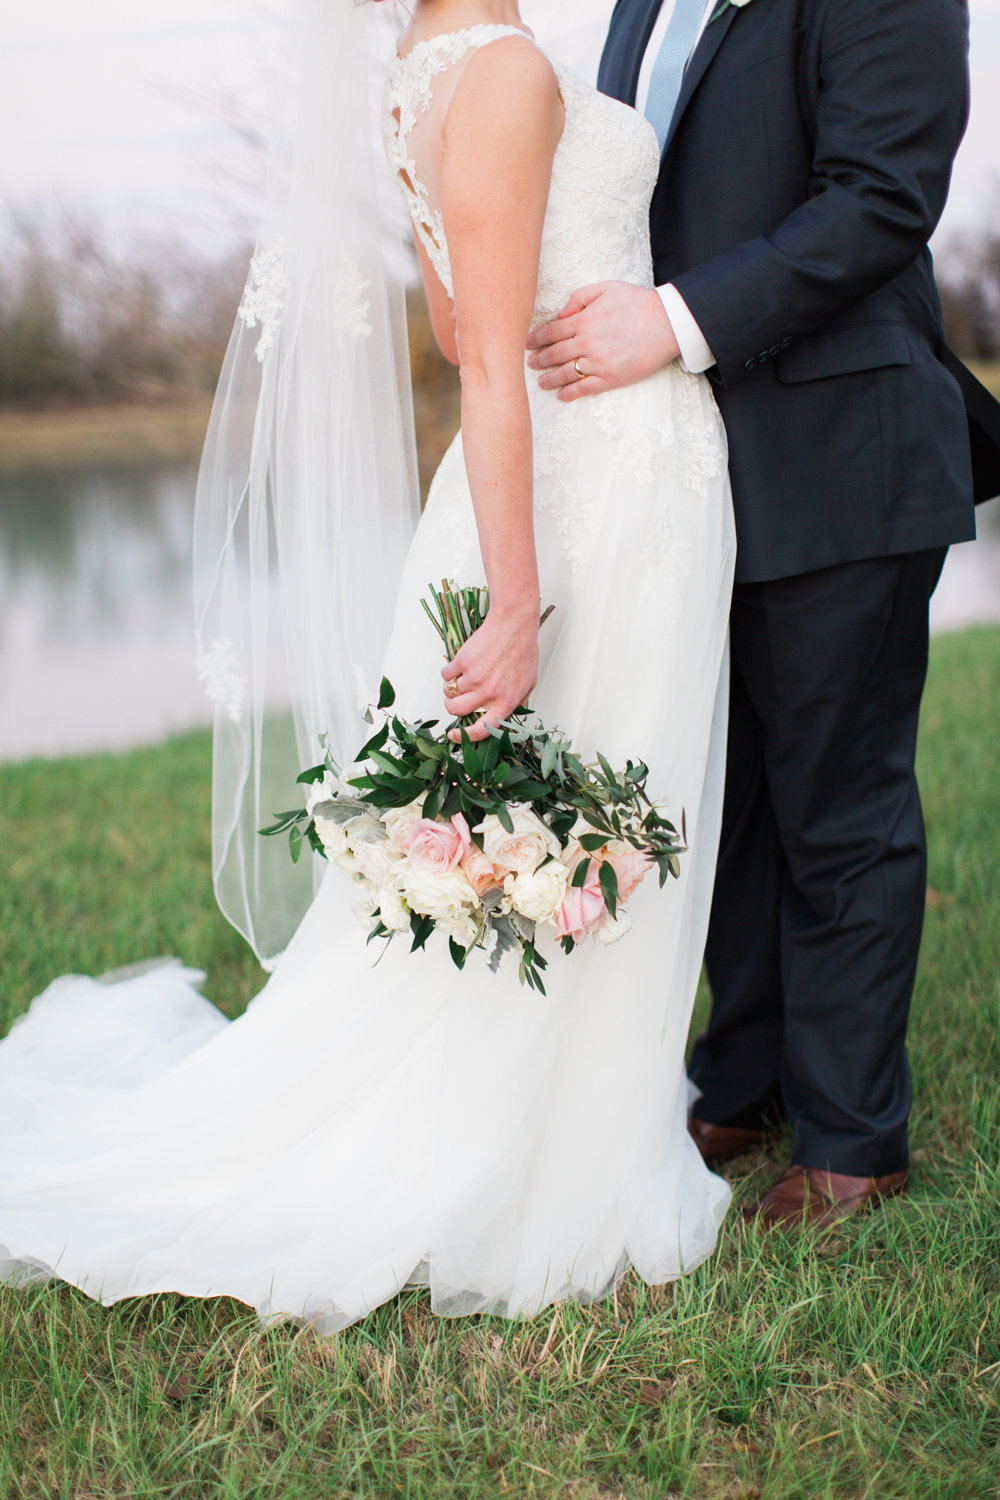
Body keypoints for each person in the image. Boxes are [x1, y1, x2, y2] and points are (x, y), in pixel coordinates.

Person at [0, 0, 736, 1331]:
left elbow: (460, 328)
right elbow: (490, 371)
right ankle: (546, 1166)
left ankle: (561, 1122)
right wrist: (514, 605)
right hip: (587, 497)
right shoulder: (505, 73)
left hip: (559, 477)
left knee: (550, 836)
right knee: (570, 814)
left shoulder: (419, 73)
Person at [527, 0, 1000, 1227]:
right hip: (678, 466)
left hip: (841, 447)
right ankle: (742, 1082)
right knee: (722, 796)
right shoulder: (643, 6)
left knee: (837, 805)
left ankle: (851, 1140)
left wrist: (670, 323)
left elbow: (883, 194)